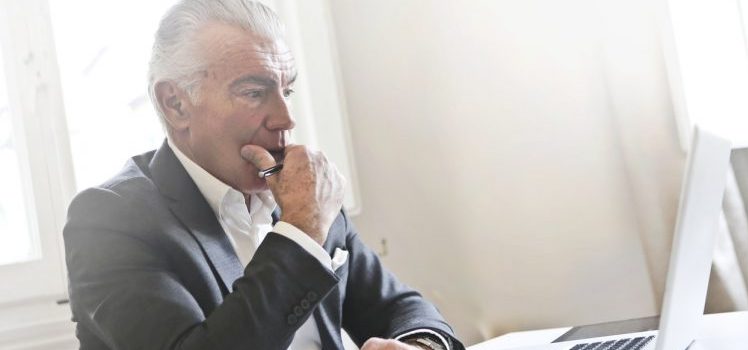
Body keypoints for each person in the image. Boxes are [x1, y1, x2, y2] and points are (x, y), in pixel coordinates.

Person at [63, 1, 464, 349]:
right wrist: (301, 231)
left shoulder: (301, 193)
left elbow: (402, 308)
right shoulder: (107, 220)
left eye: (285, 91)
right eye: (254, 93)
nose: (286, 119)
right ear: (175, 105)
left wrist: (421, 344)